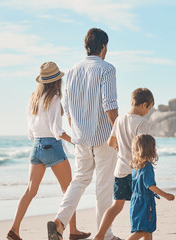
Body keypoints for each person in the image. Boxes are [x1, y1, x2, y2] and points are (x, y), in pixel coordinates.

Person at [47, 28, 119, 240]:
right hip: (105, 137)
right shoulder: (107, 69)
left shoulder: (71, 72)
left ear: (86, 47)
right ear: (104, 47)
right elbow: (109, 106)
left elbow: (68, 110)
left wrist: (78, 133)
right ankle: (105, 235)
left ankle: (59, 222)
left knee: (79, 180)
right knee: (104, 186)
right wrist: (119, 134)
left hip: (80, 138)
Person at [7, 62, 90, 240]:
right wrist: (75, 141)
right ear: (56, 80)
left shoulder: (33, 98)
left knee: (30, 190)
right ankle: (73, 231)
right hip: (52, 146)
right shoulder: (55, 98)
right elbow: (56, 129)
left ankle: (14, 229)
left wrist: (40, 141)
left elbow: (30, 129)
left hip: (36, 146)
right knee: (69, 190)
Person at [93, 88, 154, 240]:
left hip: (120, 170)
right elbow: (143, 150)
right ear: (144, 105)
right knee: (146, 208)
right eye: (149, 108)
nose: (147, 112)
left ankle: (100, 235)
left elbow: (110, 142)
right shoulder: (142, 122)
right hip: (136, 172)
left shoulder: (119, 119)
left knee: (116, 206)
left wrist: (120, 147)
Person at [128, 134, 175, 240]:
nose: (155, 148)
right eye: (154, 146)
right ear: (149, 149)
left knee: (148, 229)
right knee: (143, 230)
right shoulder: (147, 166)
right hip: (145, 202)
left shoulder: (136, 165)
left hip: (135, 201)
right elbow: (150, 185)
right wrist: (166, 195)